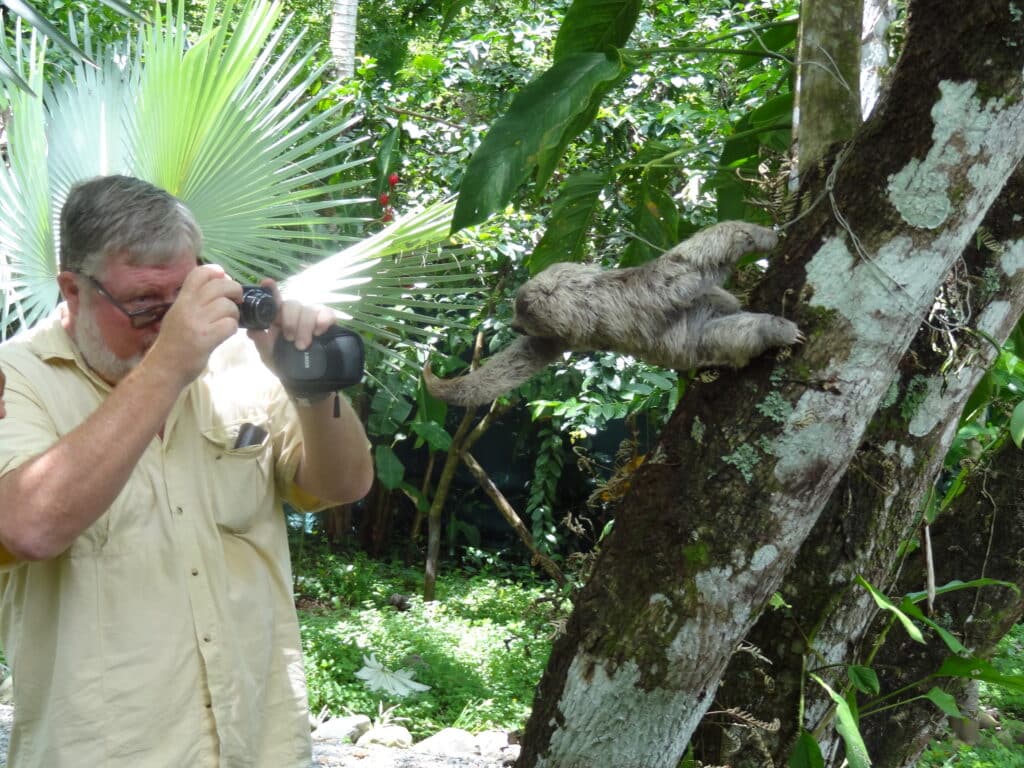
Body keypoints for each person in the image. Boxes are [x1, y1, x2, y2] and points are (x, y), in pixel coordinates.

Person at [0, 175, 374, 768]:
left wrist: (309, 386)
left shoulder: (234, 356)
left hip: (257, 743)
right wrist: (169, 364)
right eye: (148, 308)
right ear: (73, 289)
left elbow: (342, 485)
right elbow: (26, 527)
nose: (174, 327)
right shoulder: (16, 379)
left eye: (184, 300)